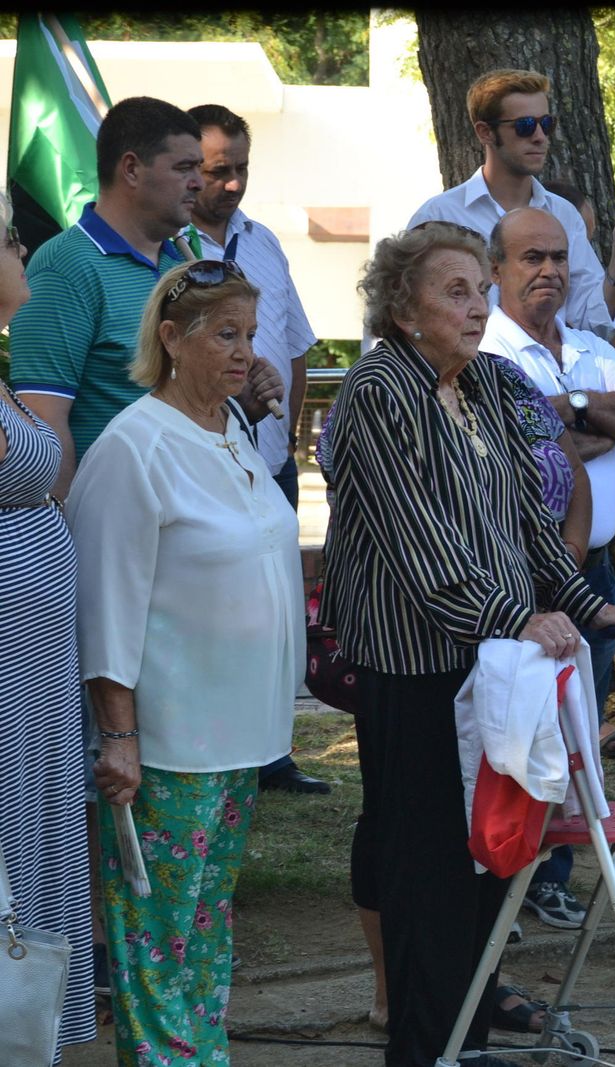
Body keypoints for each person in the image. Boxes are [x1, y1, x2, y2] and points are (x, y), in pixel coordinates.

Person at [319, 222, 615, 1067]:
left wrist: (586, 604)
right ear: (403, 307)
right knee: (427, 871)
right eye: (454, 292)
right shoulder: (377, 391)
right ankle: (428, 1048)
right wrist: (514, 617)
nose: (477, 307)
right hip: (415, 667)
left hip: (490, 663)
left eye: (479, 288)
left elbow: (533, 527)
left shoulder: (489, 383)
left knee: (491, 861)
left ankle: (462, 1042)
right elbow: (419, 542)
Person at [8, 93, 283, 995]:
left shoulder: (188, 260)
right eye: (184, 168)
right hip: (107, 549)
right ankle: (80, 977)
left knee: (194, 884)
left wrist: (242, 375)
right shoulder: (67, 266)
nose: (202, 184)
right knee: (115, 816)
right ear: (132, 169)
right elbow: (43, 431)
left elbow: (196, 380)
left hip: (189, 554)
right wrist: (66, 568)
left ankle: (128, 990)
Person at [68, 260, 301, 1066]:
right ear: (172, 339)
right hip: (168, 741)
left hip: (236, 736)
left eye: (249, 331)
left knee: (205, 922)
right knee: (159, 934)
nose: (244, 350)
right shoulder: (134, 446)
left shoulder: (230, 427)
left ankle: (202, 1054)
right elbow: (105, 605)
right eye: (223, 334)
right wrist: (119, 736)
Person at [481, 206, 615, 935]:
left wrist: (567, 407)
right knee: (519, 730)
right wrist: (581, 428)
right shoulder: (487, 351)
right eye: (531, 258)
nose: (549, 269)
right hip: (522, 577)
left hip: (595, 573)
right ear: (497, 270)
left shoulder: (586, 345)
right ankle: (500, 879)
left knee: (581, 727)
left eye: (558, 257)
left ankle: (550, 877)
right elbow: (525, 446)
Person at [184, 102, 331, 797]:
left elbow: (295, 345)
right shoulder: (173, 251)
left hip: (268, 458)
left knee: (275, 614)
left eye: (242, 168)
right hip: (205, 465)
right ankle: (223, 749)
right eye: (219, 171)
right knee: (223, 616)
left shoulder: (263, 240)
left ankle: (273, 750)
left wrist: (288, 435)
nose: (234, 184)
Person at [0, 198, 96, 1063]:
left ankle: (33, 1034)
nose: (23, 248)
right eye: (8, 238)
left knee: (37, 833)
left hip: (33, 668)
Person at [409, 68, 615, 337]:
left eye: (546, 124)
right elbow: (414, 316)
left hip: (548, 375)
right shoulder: (440, 216)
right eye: (524, 126)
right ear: (485, 132)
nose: (539, 137)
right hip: (468, 374)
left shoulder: (563, 214)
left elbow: (594, 324)